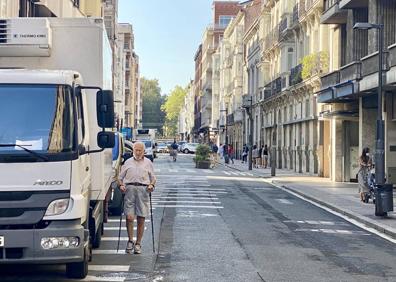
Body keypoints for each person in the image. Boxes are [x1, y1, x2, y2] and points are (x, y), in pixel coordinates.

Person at [119, 141, 157, 254]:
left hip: (143, 190)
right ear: (133, 150)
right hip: (130, 189)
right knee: (129, 217)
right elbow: (120, 177)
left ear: (144, 151)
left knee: (141, 218)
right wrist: (121, 185)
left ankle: (138, 243)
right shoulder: (128, 162)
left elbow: (153, 178)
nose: (138, 152)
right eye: (136, 150)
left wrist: (151, 185)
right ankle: (130, 240)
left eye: (140, 150)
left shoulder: (148, 163)